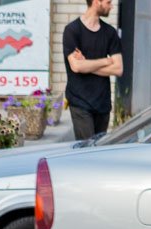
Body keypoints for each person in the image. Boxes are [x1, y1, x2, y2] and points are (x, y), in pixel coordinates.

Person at [63, 0, 122, 141]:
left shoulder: (110, 32)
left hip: (103, 104)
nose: (111, 6)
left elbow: (118, 68)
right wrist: (105, 61)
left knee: (98, 152)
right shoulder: (72, 30)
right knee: (86, 150)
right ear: (96, 2)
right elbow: (76, 67)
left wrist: (86, 65)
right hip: (80, 102)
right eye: (108, 2)